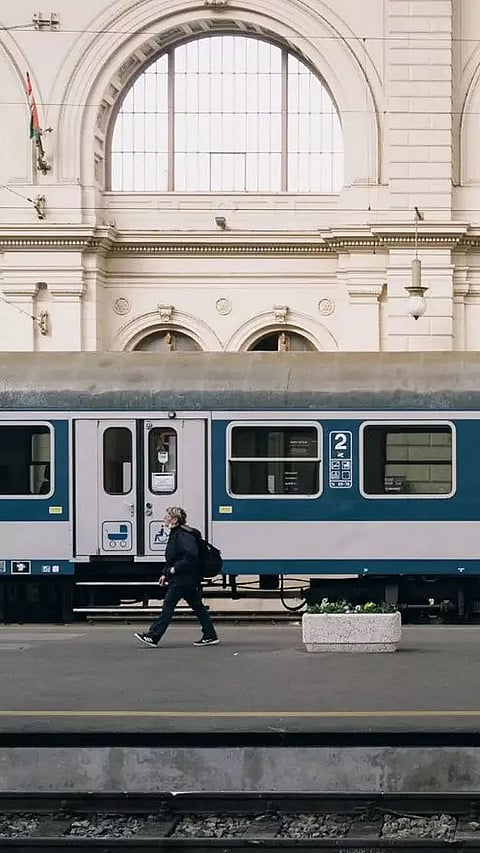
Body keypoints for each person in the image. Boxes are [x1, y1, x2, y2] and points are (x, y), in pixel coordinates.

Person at [134, 506, 218, 648]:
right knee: (198, 607)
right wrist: (164, 573)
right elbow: (173, 558)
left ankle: (153, 636)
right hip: (186, 578)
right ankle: (210, 635)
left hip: (183, 578)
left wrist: (174, 569)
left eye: (167, 516)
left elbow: (191, 554)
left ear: (174, 519)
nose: (164, 518)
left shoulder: (183, 535)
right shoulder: (177, 533)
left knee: (168, 606)